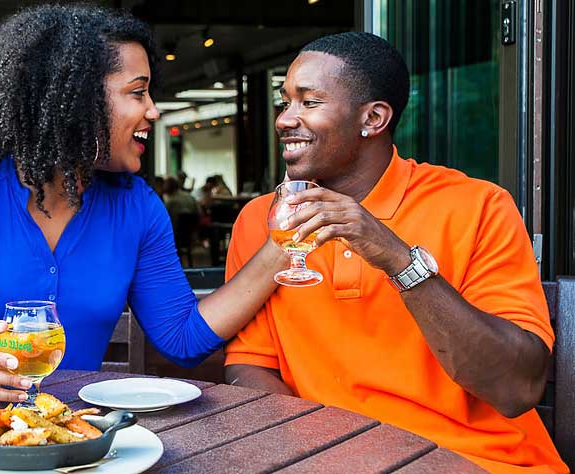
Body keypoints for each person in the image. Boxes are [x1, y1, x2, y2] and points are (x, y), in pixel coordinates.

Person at [0, 5, 288, 405]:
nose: (153, 111)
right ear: (75, 100)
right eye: (137, 93)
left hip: (80, 435)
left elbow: (182, 338)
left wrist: (280, 248)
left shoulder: (137, 208)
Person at [224, 32, 567, 473]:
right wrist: (314, 454)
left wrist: (398, 259)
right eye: (286, 101)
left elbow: (517, 389)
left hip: (476, 461)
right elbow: (249, 365)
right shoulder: (263, 219)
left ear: (374, 117)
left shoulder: (478, 205)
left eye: (308, 103)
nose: (284, 119)